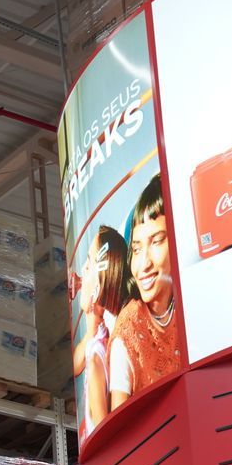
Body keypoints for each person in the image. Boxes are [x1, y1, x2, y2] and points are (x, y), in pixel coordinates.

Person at [110, 176, 186, 408]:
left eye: (156, 241)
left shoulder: (194, 301)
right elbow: (119, 418)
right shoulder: (129, 329)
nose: (143, 264)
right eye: (136, 249)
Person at [73, 224, 131, 436]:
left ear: (98, 288)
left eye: (89, 264)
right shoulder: (100, 338)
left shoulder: (98, 354)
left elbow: (103, 432)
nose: (82, 270)